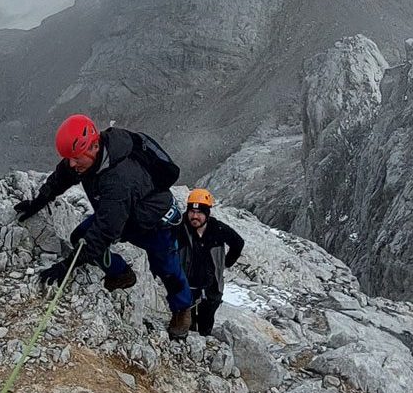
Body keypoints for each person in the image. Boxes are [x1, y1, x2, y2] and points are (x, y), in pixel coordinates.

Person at [14, 113, 194, 339]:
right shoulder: (85, 159)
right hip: (122, 215)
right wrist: (37, 203)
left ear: (93, 147)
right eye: (69, 158)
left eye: (75, 158)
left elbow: (105, 232)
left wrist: (66, 266)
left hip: (154, 223)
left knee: (167, 269)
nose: (72, 163)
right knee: (81, 239)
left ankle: (182, 310)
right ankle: (121, 274)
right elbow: (62, 176)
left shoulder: (119, 178)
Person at [175, 188, 244, 336]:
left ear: (207, 214)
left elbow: (238, 243)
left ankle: (203, 341)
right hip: (187, 287)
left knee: (206, 323)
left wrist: (225, 263)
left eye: (199, 212)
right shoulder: (180, 227)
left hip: (212, 287)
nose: (194, 216)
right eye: (191, 212)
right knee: (187, 325)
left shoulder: (217, 229)